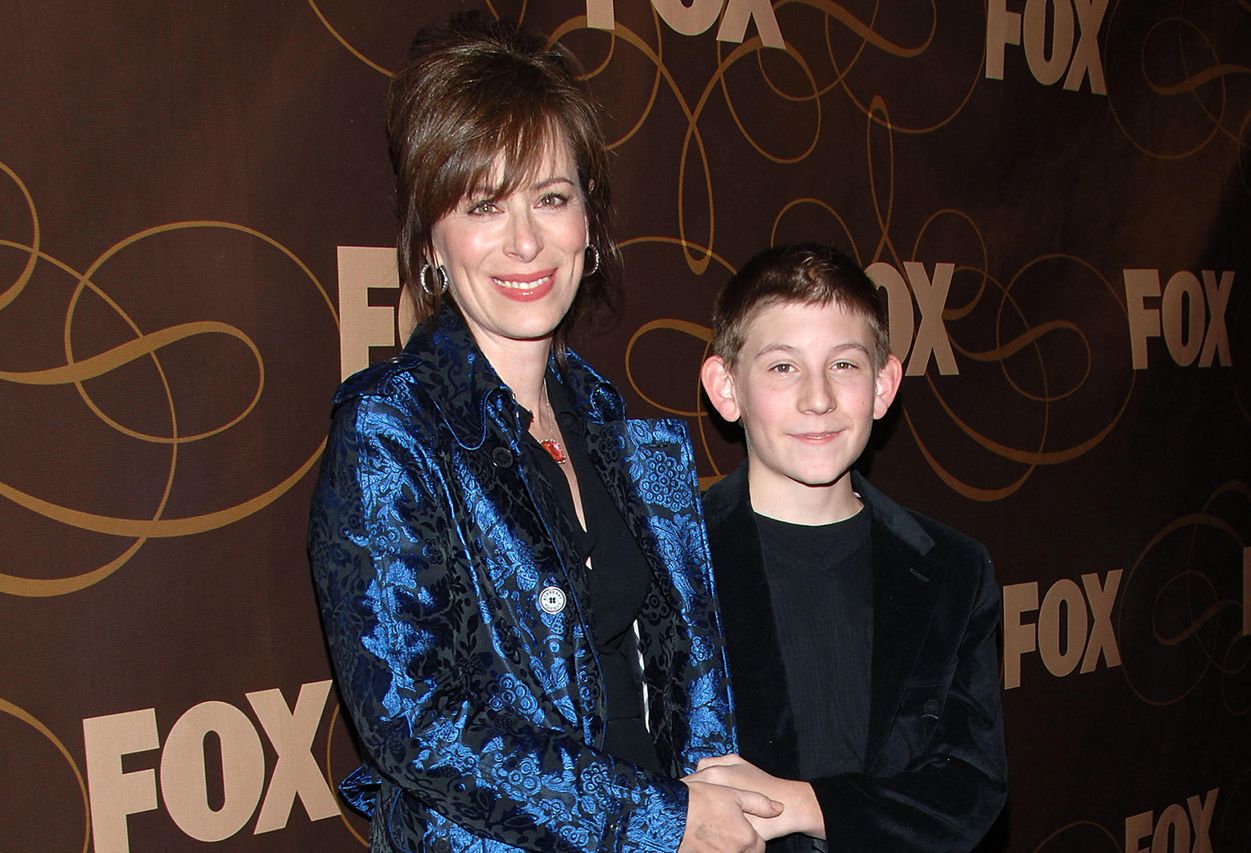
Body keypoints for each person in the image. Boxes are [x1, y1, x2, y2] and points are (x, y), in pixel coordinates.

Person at [308, 13, 780, 853]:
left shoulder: (604, 420)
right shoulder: (393, 428)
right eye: (483, 204)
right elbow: (417, 722)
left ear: (588, 226)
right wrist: (660, 820)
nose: (525, 240)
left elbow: (673, 678)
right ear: (432, 243)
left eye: (551, 198)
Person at [689, 243, 1008, 851]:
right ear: (727, 388)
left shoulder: (953, 569)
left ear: (884, 386)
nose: (818, 398)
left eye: (844, 365)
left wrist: (804, 803)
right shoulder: (668, 560)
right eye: (783, 367)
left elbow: (972, 787)